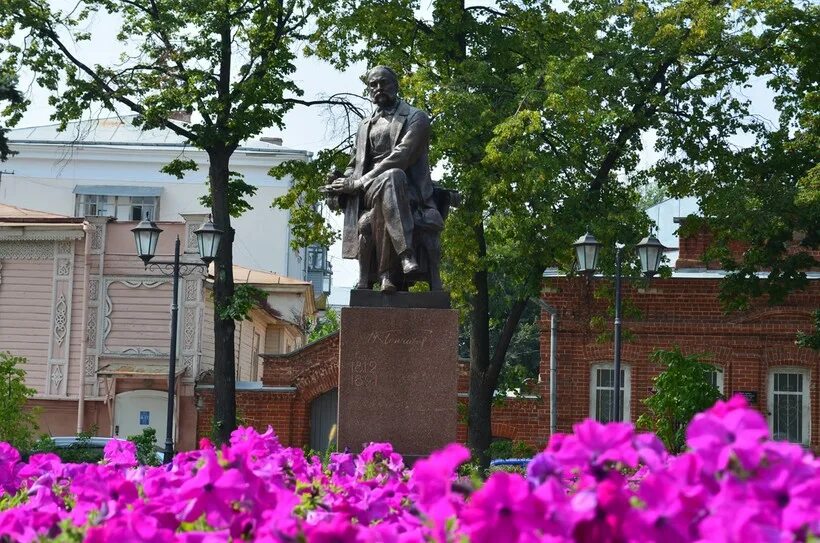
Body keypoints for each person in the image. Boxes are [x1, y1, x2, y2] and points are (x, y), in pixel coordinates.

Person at [326, 66, 442, 293]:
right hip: (369, 190)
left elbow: (403, 156)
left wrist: (359, 182)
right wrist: (342, 181)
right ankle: (405, 254)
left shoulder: (416, 117)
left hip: (410, 193)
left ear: (396, 85)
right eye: (373, 85)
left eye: (384, 83)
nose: (378, 88)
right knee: (390, 179)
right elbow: (355, 166)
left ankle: (386, 276)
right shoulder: (364, 125)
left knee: (393, 176)